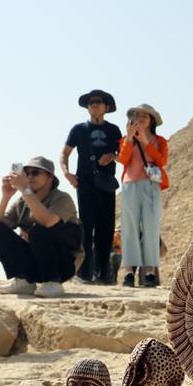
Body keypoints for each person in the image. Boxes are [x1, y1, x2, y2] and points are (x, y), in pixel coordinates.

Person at [0, 156, 82, 298]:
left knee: (40, 229)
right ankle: (23, 280)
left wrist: (25, 188)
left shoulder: (61, 198)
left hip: (63, 264)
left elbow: (48, 221)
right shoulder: (22, 202)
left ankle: (52, 282)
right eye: (27, 173)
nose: (30, 177)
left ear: (50, 177)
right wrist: (6, 197)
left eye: (35, 172)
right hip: (36, 262)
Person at [61, 90, 122, 284]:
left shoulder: (114, 130)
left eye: (98, 102)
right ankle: (84, 272)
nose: (94, 104)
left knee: (106, 227)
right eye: (90, 102)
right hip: (85, 182)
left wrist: (112, 156)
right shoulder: (78, 129)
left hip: (106, 182)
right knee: (87, 227)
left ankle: (104, 272)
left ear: (107, 108)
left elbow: (124, 154)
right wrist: (66, 173)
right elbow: (64, 154)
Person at [116, 104, 168, 288]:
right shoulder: (125, 139)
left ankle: (150, 272)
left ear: (152, 120)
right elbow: (122, 160)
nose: (140, 118)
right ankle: (129, 272)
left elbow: (162, 160)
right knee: (129, 229)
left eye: (145, 115)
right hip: (130, 184)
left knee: (151, 228)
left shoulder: (159, 140)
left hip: (150, 184)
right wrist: (130, 139)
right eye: (137, 115)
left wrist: (146, 141)